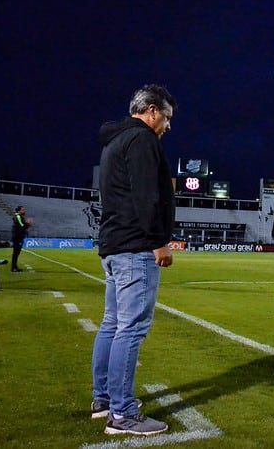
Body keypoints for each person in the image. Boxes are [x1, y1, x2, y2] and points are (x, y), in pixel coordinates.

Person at [91, 84, 176, 436]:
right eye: (167, 118)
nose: (168, 126)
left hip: (114, 244)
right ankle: (123, 413)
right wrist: (159, 241)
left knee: (112, 323)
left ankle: (104, 400)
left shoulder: (115, 142)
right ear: (152, 110)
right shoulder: (142, 140)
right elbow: (146, 195)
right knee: (131, 327)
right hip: (135, 247)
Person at [10, 206, 33, 272]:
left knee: (17, 252)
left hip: (18, 236)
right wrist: (28, 223)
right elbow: (22, 226)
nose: (24, 211)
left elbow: (22, 225)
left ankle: (14, 267)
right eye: (22, 210)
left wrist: (27, 224)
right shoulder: (18, 216)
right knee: (16, 252)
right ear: (19, 211)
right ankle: (13, 267)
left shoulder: (19, 217)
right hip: (17, 236)